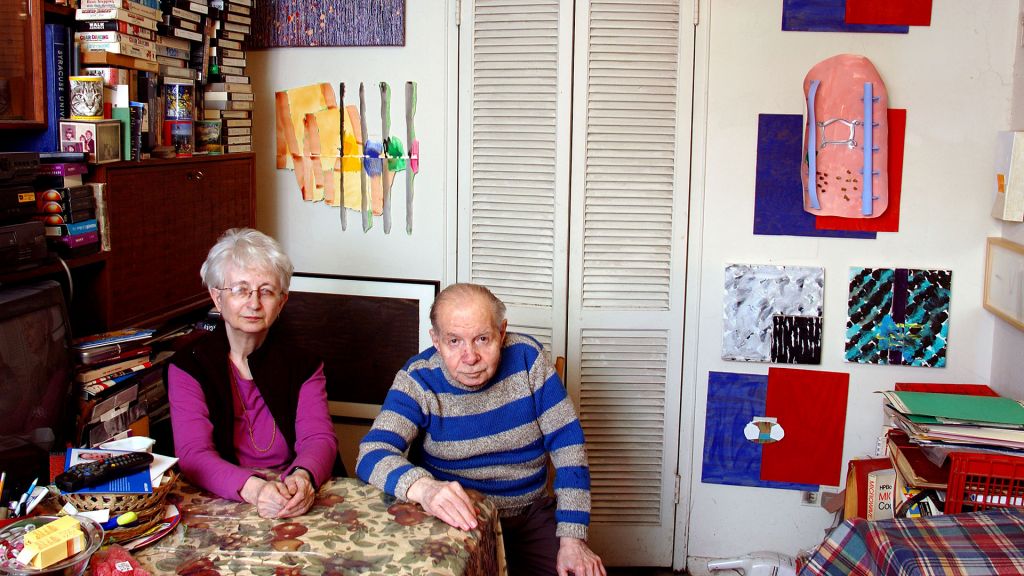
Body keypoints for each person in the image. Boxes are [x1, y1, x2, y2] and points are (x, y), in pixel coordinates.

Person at [357, 283, 606, 576]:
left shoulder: (528, 358)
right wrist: (425, 489)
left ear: (501, 333)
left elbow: (569, 446)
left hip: (526, 516)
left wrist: (573, 540)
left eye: (482, 339)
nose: (470, 356)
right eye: (454, 341)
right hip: (454, 520)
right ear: (435, 341)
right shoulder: (418, 378)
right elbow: (371, 453)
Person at [168, 228, 339, 519]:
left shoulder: (303, 364)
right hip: (224, 500)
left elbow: (319, 438)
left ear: (282, 302)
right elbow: (194, 455)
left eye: (266, 291)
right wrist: (256, 490)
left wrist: (302, 478)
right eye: (239, 289)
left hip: (292, 495)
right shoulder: (188, 366)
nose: (254, 303)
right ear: (217, 298)